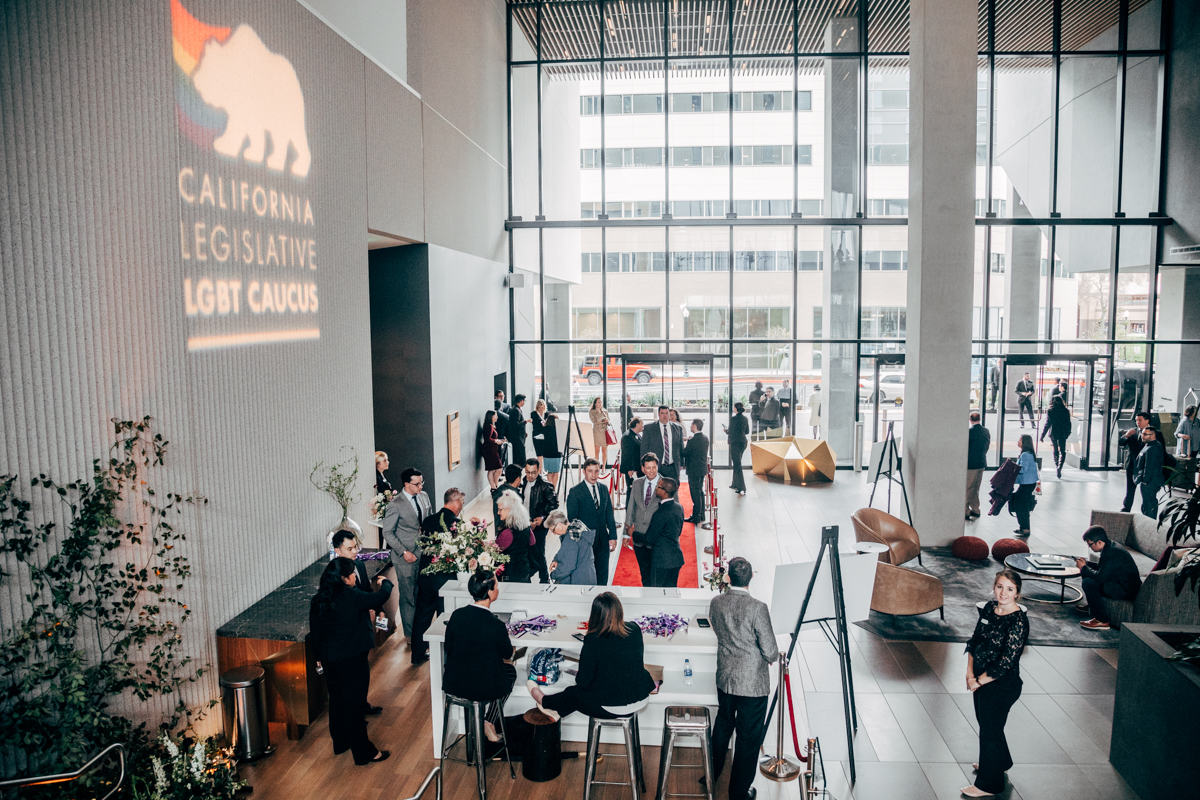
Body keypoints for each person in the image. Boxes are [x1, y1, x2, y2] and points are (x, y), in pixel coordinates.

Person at [309, 557, 394, 765]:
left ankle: (340, 743)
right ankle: (363, 753)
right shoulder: (351, 596)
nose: (355, 577)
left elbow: (315, 633)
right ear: (345, 578)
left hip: (330, 660)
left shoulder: (319, 599)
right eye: (352, 574)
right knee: (354, 705)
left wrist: (318, 657)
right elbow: (379, 597)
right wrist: (386, 583)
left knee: (337, 701)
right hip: (352, 660)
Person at [708, 557, 778, 800]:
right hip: (752, 685)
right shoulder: (758, 608)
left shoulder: (716, 602)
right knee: (748, 739)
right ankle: (738, 793)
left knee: (723, 725)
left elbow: (718, 630)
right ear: (751, 578)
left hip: (726, 678)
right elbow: (770, 651)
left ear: (728, 577)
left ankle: (710, 774)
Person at [530, 593, 655, 720]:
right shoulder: (634, 629)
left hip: (612, 706)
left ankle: (544, 701)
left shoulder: (593, 639)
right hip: (641, 696)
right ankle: (557, 712)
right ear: (619, 611)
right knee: (585, 690)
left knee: (573, 693)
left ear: (595, 615)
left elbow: (582, 682)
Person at [961, 569, 1029, 797]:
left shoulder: (1018, 622)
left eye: (1010, 589)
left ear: (1017, 592)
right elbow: (975, 640)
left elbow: (1006, 663)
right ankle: (999, 761)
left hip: (1002, 685)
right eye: (1000, 586)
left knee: (989, 729)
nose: (1004, 592)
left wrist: (978, 681)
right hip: (979, 680)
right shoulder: (990, 608)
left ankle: (988, 784)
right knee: (988, 723)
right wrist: (969, 673)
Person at [443, 569, 516, 745]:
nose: (498, 588)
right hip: (484, 685)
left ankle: (481, 722)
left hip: (455, 683)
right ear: (490, 592)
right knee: (511, 673)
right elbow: (507, 654)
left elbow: (448, 648)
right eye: (497, 585)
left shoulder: (457, 615)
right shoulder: (496, 624)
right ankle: (488, 721)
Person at [412, 488, 468, 666]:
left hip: (426, 576)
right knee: (446, 618)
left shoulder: (428, 521)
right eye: (462, 503)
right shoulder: (455, 524)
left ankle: (418, 654)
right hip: (444, 580)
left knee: (422, 615)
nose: (462, 507)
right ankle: (447, 657)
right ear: (456, 502)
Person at [330, 531, 384, 712]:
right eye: (350, 549)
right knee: (352, 676)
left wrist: (378, 609)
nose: (355, 552)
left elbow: (366, 591)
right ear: (337, 550)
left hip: (362, 629)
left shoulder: (359, 565)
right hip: (348, 635)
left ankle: (362, 704)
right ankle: (354, 710)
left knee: (363, 671)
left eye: (356, 547)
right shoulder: (334, 574)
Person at [380, 467, 431, 641]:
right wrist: (403, 552)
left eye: (421, 483)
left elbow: (428, 521)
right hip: (405, 557)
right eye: (417, 484)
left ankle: (423, 630)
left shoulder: (424, 497)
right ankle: (410, 635)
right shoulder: (395, 504)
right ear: (406, 484)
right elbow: (387, 532)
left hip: (424, 553)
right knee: (408, 596)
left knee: (422, 593)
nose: (420, 487)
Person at [1075, 525, 1142, 632]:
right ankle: (1093, 606)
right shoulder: (1110, 546)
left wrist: (1084, 568)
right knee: (1088, 576)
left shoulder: (1113, 553)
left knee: (1088, 583)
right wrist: (1086, 564)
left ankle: (1102, 620)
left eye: (1090, 544)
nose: (1089, 547)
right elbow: (1103, 569)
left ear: (1099, 542)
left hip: (1125, 590)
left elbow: (1100, 577)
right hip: (1118, 582)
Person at [567, 458, 619, 585]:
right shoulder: (575, 492)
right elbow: (572, 519)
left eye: (596, 471)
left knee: (602, 574)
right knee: (587, 574)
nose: (594, 475)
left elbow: (609, 514)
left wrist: (613, 536)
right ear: (584, 471)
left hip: (602, 539)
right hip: (585, 541)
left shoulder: (603, 488)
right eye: (590, 471)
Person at [625, 453, 662, 587]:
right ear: (643, 469)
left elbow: (674, 511)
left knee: (656, 574)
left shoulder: (666, 484)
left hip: (657, 539)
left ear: (657, 466)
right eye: (648, 468)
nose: (651, 471)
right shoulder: (637, 483)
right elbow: (631, 508)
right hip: (639, 537)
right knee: (644, 573)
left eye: (654, 467)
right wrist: (626, 533)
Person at [644, 477, 684, 588]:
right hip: (676, 558)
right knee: (671, 592)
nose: (656, 488)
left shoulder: (660, 513)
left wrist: (634, 533)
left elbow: (649, 538)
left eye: (658, 486)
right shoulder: (679, 508)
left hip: (661, 560)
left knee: (657, 594)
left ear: (664, 492)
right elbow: (678, 531)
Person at [523, 458, 559, 583]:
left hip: (539, 526)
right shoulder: (523, 482)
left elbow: (554, 506)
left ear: (539, 470)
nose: (530, 476)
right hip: (525, 523)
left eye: (533, 472)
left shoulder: (546, 486)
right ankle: (527, 577)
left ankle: (544, 579)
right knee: (525, 551)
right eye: (527, 472)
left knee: (539, 552)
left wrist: (543, 518)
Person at [1120, 412, 1165, 512]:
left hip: (1147, 468)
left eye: (1140, 420)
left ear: (1147, 420)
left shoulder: (1155, 433)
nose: (1137, 422)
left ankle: (1147, 513)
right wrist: (1126, 436)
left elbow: (1161, 452)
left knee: (1147, 493)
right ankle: (1126, 508)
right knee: (1130, 490)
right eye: (1136, 420)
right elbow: (1121, 443)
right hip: (1132, 466)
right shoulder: (1133, 432)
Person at [545, 510, 598, 585]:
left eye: (553, 530)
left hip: (578, 581)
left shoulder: (571, 538)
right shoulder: (577, 527)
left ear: (559, 524)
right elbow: (565, 552)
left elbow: (568, 566)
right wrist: (556, 560)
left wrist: (553, 574)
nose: (553, 533)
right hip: (588, 576)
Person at [496, 489, 533, 583]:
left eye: (500, 509)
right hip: (524, 572)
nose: (498, 512)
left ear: (508, 510)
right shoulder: (526, 526)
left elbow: (495, 550)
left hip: (510, 575)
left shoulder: (507, 533)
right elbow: (532, 542)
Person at [642, 405, 684, 481]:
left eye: (666, 413)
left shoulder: (678, 428)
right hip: (656, 466)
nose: (665, 416)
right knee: (656, 490)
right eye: (662, 413)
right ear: (658, 414)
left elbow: (681, 447)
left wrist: (682, 463)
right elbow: (644, 448)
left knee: (673, 490)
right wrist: (643, 465)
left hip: (673, 467)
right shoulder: (649, 428)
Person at [1133, 425, 1165, 520]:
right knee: (1146, 503)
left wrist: (1145, 480)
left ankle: (1150, 523)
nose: (1143, 436)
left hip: (1151, 481)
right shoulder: (1149, 445)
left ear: (1153, 436)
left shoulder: (1153, 448)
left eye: (1146, 434)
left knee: (1150, 504)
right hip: (1149, 481)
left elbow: (1149, 466)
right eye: (1142, 433)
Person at [683, 419, 710, 524]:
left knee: (695, 493)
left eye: (691, 425)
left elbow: (685, 453)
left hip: (693, 469)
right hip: (702, 468)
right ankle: (702, 514)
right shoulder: (705, 438)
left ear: (694, 426)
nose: (690, 427)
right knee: (700, 491)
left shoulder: (693, 440)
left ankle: (696, 516)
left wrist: (687, 443)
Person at [1010, 435, 1038, 536]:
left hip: (1027, 484)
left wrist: (1013, 467)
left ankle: (1025, 528)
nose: (1018, 442)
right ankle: (1024, 527)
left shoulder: (1025, 454)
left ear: (1024, 442)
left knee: (1021, 505)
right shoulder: (1029, 453)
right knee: (1022, 504)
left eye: (1020, 440)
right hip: (1028, 483)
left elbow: (1023, 469)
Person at [1040, 394, 1073, 478]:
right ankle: (1060, 467)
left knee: (1055, 449)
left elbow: (1048, 423)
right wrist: (1068, 432)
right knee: (1063, 450)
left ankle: (1056, 464)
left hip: (1054, 432)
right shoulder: (1065, 411)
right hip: (1063, 432)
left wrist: (1042, 435)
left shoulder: (1051, 411)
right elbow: (1068, 423)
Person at [531, 399, 562, 488]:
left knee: (549, 472)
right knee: (555, 472)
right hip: (556, 453)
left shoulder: (545, 429)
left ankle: (549, 489)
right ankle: (554, 489)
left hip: (547, 454)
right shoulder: (559, 430)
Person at [966, 411, 991, 520]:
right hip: (981, 462)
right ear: (979, 419)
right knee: (976, 486)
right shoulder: (986, 431)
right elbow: (986, 447)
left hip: (971, 464)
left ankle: (966, 510)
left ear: (970, 419)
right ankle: (975, 508)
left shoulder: (969, 432)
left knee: (968, 487)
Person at [621, 417, 645, 509]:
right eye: (641, 424)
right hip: (632, 469)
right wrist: (630, 469)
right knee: (631, 490)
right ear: (637, 424)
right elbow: (627, 454)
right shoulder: (627, 436)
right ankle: (629, 511)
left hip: (637, 467)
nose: (643, 426)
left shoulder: (637, 435)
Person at [492, 463, 523, 531]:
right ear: (518, 479)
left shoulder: (500, 490)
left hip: (500, 531)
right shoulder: (512, 496)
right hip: (510, 533)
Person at [728, 402, 749, 496]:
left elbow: (731, 432)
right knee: (737, 462)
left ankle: (742, 487)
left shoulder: (733, 419)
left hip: (735, 443)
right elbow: (747, 431)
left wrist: (726, 431)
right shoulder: (745, 419)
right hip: (743, 442)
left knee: (737, 465)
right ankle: (735, 483)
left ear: (736, 408)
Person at [482, 410, 506, 489]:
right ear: (491, 417)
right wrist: (496, 441)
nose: (497, 417)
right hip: (489, 451)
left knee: (494, 469)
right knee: (495, 468)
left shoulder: (490, 426)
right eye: (495, 416)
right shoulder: (488, 426)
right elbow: (487, 439)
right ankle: (493, 486)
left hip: (492, 450)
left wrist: (499, 440)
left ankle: (495, 486)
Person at [589, 397, 612, 466]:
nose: (600, 403)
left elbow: (609, 422)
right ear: (595, 403)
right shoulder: (592, 411)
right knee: (596, 450)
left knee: (604, 451)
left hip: (605, 431)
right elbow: (594, 421)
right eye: (598, 402)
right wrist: (602, 419)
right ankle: (596, 466)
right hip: (596, 432)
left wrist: (607, 421)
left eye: (601, 402)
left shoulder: (605, 411)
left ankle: (603, 467)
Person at [508, 394, 528, 468]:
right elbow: (515, 424)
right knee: (519, 455)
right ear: (521, 401)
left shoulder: (517, 409)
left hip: (519, 436)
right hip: (517, 438)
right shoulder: (516, 410)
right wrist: (525, 422)